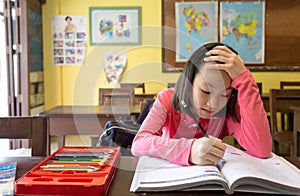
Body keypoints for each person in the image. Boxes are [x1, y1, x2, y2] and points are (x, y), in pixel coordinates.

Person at [131, 42, 272, 166]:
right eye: (205, 91)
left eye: (224, 94)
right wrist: (189, 150)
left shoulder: (229, 108)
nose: (213, 104)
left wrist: (245, 81)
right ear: (189, 82)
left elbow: (262, 149)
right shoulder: (168, 99)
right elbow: (139, 143)